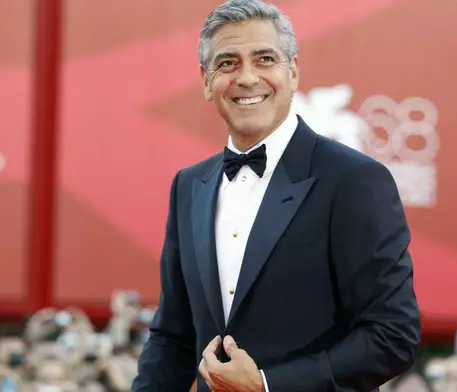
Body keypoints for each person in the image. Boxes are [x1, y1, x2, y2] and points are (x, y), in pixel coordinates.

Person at [131, 0, 420, 391]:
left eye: (264, 59)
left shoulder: (353, 180)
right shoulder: (189, 186)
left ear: (293, 71)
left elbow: (392, 335)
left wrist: (267, 385)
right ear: (205, 80)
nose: (246, 77)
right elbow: (173, 338)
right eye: (228, 63)